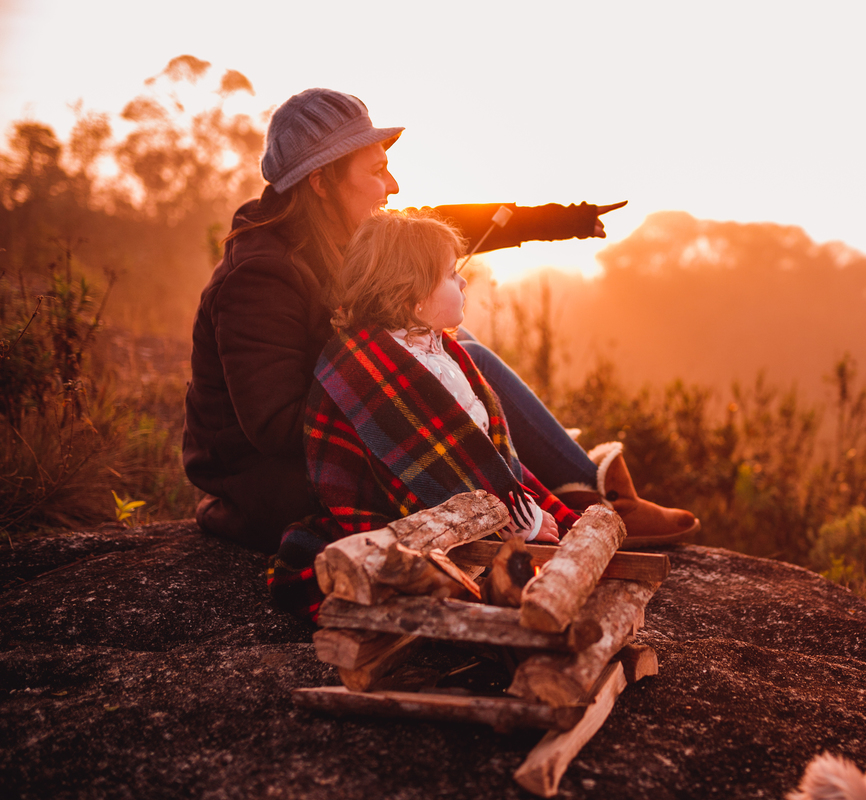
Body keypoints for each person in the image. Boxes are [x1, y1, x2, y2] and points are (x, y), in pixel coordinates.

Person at [184, 87, 697, 555]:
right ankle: (573, 498)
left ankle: (573, 490)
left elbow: (432, 229)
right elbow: (275, 429)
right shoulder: (260, 276)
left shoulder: (338, 236)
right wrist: (401, 392)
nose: (392, 184)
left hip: (329, 449)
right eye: (376, 171)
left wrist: (563, 218)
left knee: (450, 344)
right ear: (320, 181)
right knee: (456, 352)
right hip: (275, 481)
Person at [268, 210, 583, 619]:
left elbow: (482, 445)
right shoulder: (371, 366)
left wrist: (534, 506)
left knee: (563, 538)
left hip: (472, 502)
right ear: (412, 299)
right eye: (451, 275)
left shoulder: (440, 349)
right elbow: (439, 467)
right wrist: (520, 523)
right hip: (409, 511)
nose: (464, 280)